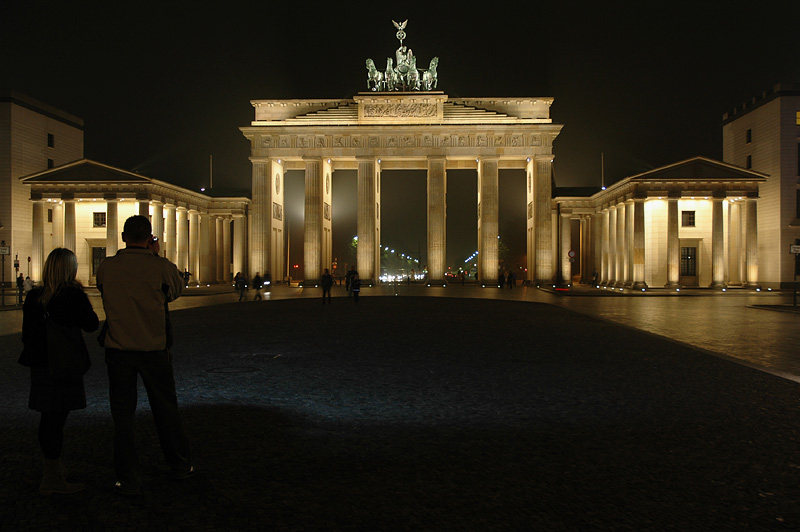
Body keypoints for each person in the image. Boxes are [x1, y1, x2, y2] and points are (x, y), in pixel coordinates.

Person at [96, 215, 193, 496]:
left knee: (123, 416)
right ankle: (179, 465)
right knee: (166, 410)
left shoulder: (107, 267)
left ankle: (127, 476)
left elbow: (103, 290)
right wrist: (155, 256)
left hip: (118, 349)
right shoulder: (160, 267)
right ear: (150, 238)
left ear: (124, 236)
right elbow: (175, 291)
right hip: (153, 348)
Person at [19, 248, 99, 495]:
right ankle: (52, 478)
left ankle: (52, 467)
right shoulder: (72, 295)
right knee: (57, 420)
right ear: (70, 269)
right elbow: (92, 324)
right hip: (64, 363)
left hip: (40, 365)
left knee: (48, 418)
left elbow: (26, 334)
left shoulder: (34, 297)